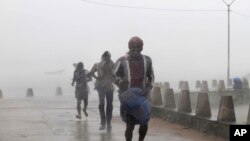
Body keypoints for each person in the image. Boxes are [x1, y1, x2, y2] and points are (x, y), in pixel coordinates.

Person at [114, 36, 154, 141]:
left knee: (144, 122)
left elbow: (151, 76)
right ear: (129, 47)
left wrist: (149, 87)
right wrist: (120, 83)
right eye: (133, 47)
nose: (135, 49)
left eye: (138, 47)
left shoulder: (147, 60)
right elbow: (113, 76)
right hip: (128, 96)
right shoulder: (122, 61)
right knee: (130, 124)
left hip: (142, 96)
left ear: (142, 48)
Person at [89, 51, 115, 131]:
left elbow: (116, 74)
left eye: (108, 57)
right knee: (102, 104)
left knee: (109, 105)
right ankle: (103, 122)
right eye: (105, 57)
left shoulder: (113, 64)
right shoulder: (97, 64)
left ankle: (108, 124)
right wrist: (97, 78)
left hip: (109, 86)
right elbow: (91, 73)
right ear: (103, 57)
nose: (107, 58)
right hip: (101, 86)